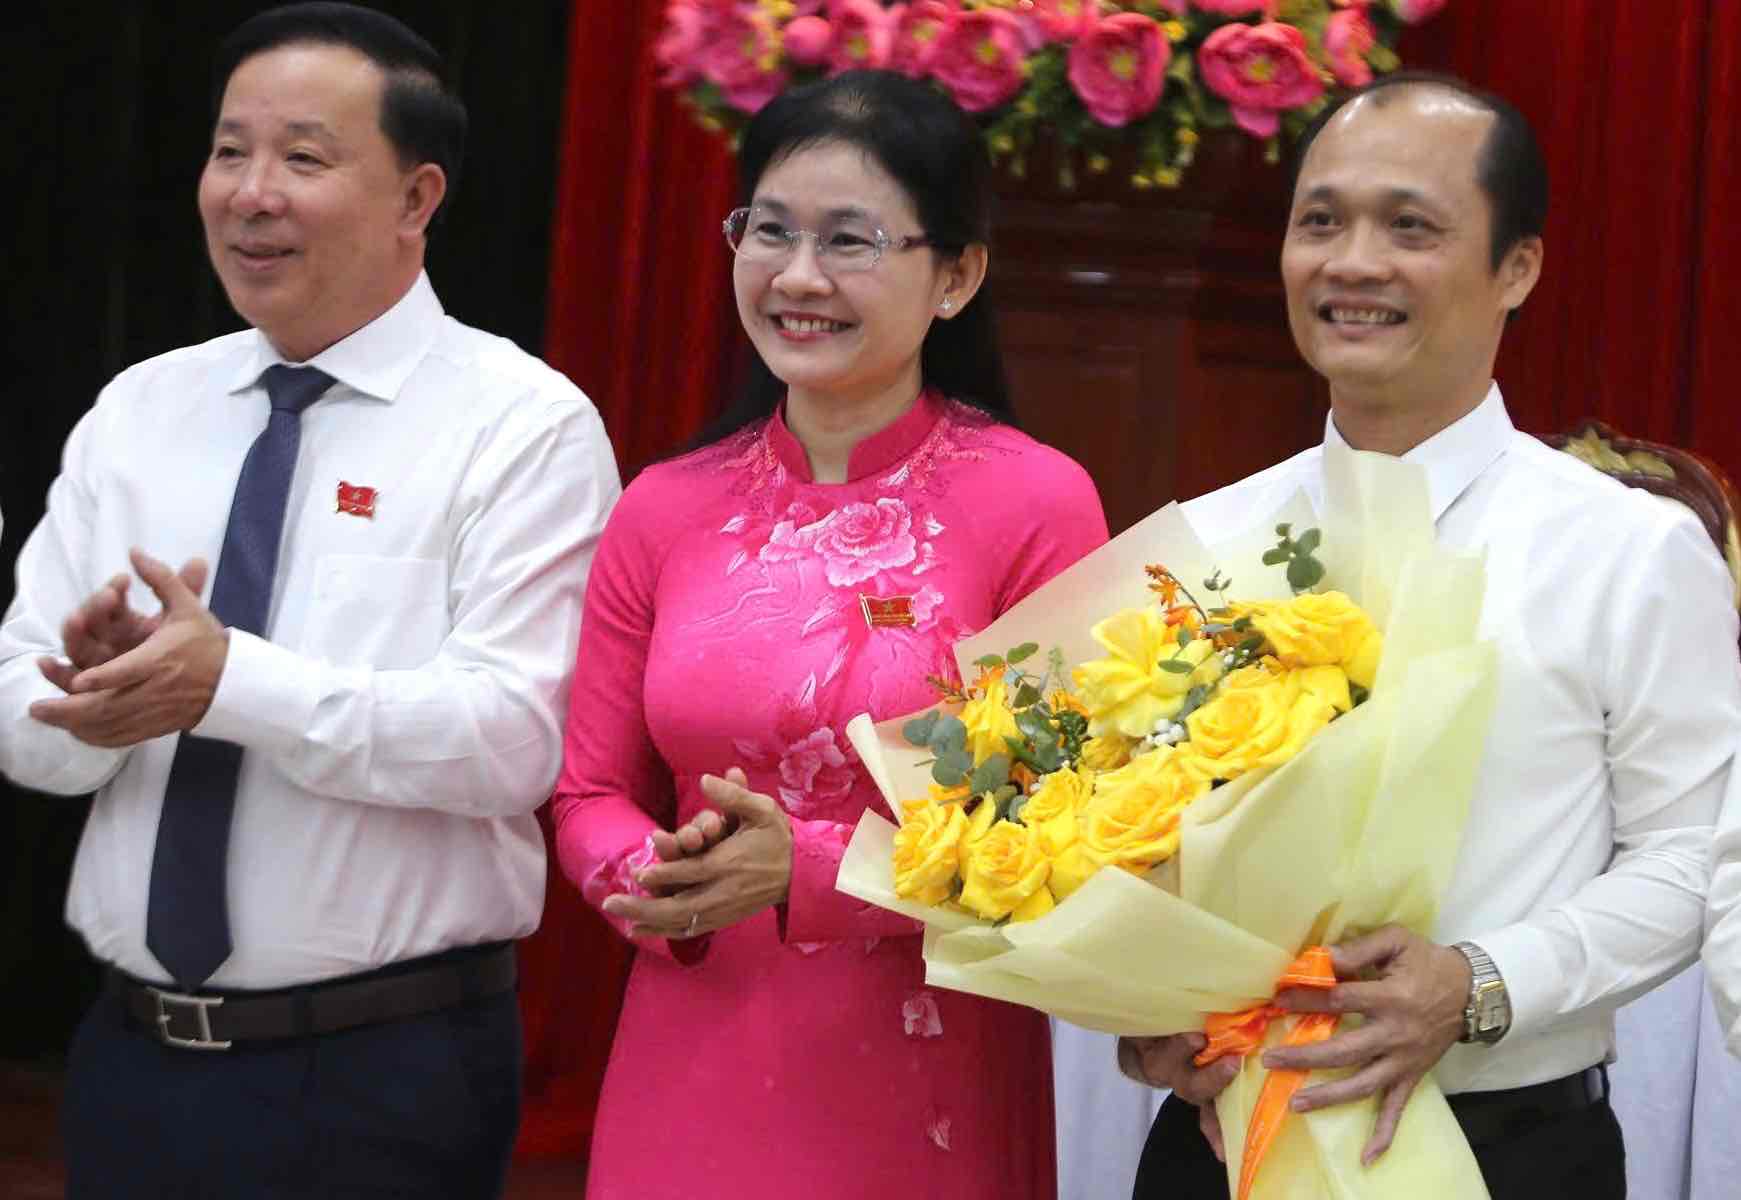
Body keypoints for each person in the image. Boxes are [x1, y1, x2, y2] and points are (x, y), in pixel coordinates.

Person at [0, 5, 618, 1196]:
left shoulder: (520, 425)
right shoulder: (141, 409)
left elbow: (512, 741)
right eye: (229, 151)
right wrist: (91, 703)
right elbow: (19, 718)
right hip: (130, 1056)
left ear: (417, 197)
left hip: (380, 1069)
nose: (250, 194)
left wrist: (228, 683)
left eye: (302, 157)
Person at [1112, 72, 1741, 1199]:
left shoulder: (1627, 548)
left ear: (1517, 267)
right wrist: (1147, 1006)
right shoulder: (1201, 542)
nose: (1352, 262)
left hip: (1507, 1146)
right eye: (1320, 221)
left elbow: (1692, 857)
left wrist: (1478, 983)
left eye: (1409, 227)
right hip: (1222, 1142)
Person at [552, 69, 1108, 1200]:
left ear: (955, 276)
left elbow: (1067, 820)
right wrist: (663, 877)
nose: (798, 277)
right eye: (770, 231)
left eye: (850, 241)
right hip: (690, 1048)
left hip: (925, 1070)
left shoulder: (1036, 503)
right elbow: (588, 792)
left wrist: (804, 870)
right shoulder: (664, 506)